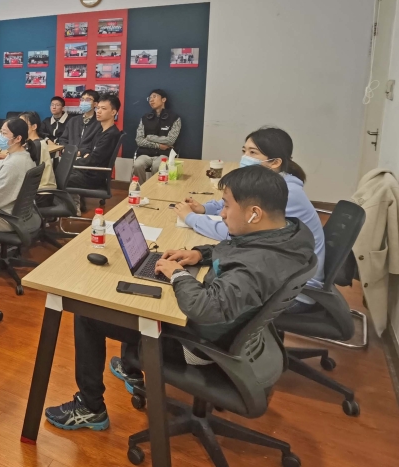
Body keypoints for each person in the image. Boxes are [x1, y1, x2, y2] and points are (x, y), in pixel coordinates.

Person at [44, 165, 317, 431]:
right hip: (232, 332)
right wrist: (199, 254)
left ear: (254, 213)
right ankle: (130, 368)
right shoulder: (288, 234)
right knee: (139, 297)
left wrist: (177, 274)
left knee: (90, 315)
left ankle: (90, 408)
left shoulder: (256, 266)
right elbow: (236, 249)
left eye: (226, 206)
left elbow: (204, 307)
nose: (222, 214)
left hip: (200, 345)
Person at [173, 127, 325, 312]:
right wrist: (201, 253)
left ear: (275, 162)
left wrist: (190, 219)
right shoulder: (276, 184)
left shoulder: (284, 193)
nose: (245, 157)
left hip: (294, 293)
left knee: (177, 304)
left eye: (253, 152)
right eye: (244, 151)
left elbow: (231, 232)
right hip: (283, 275)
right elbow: (235, 211)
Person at [66, 94, 121, 210]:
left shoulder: (111, 135)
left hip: (92, 177)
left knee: (57, 175)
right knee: (58, 172)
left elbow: (93, 160)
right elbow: (88, 149)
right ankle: (73, 204)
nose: (99, 111)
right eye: (98, 108)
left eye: (103, 108)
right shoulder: (101, 130)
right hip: (86, 171)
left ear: (113, 112)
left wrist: (72, 162)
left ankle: (72, 207)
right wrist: (85, 155)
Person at [0, 118, 36, 232]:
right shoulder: (22, 155)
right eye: (0, 132)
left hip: (5, 217)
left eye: (4, 133)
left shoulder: (12, 165)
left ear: (18, 138)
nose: (0, 136)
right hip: (19, 213)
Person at [132, 89, 182, 181]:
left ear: (163, 99)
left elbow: (170, 141)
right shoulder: (145, 118)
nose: (151, 100)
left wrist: (149, 137)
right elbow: (139, 140)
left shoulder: (174, 118)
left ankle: (155, 189)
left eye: (154, 97)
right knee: (137, 165)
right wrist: (158, 145)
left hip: (165, 154)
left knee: (157, 165)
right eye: (150, 98)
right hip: (145, 153)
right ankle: (140, 188)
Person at [19, 111, 56, 190]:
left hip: (40, 188)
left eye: (23, 124)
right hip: (37, 186)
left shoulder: (35, 145)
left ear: (34, 127)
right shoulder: (36, 142)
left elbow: (26, 168)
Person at [58, 90, 101, 155]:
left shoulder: (99, 123)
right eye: (82, 99)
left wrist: (81, 152)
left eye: (88, 99)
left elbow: (97, 144)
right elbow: (63, 139)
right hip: (69, 155)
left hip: (86, 157)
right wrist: (65, 149)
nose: (84, 102)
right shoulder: (73, 120)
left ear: (95, 104)